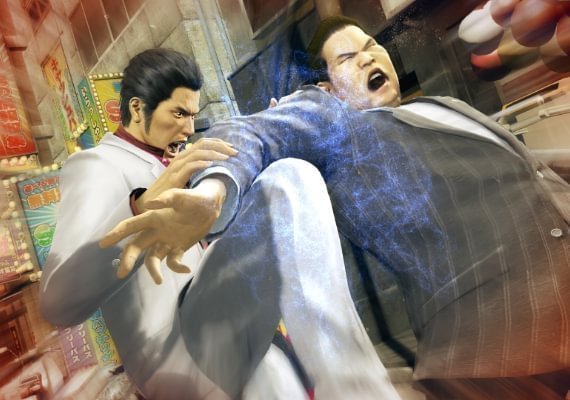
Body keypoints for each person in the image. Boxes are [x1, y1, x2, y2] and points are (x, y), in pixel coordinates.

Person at [103, 17, 570, 399]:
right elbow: (248, 132)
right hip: (498, 344)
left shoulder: (444, 106)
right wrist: (212, 194)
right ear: (327, 88)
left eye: (370, 45)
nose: (367, 56)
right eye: (347, 58)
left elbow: (529, 170)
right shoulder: (336, 122)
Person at [39, 48, 401, 400]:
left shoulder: (181, 159)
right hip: (176, 350)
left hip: (234, 337)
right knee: (286, 180)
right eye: (178, 113)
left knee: (277, 377)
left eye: (192, 115)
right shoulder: (98, 166)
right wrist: (138, 212)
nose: (188, 128)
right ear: (137, 108)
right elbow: (58, 301)